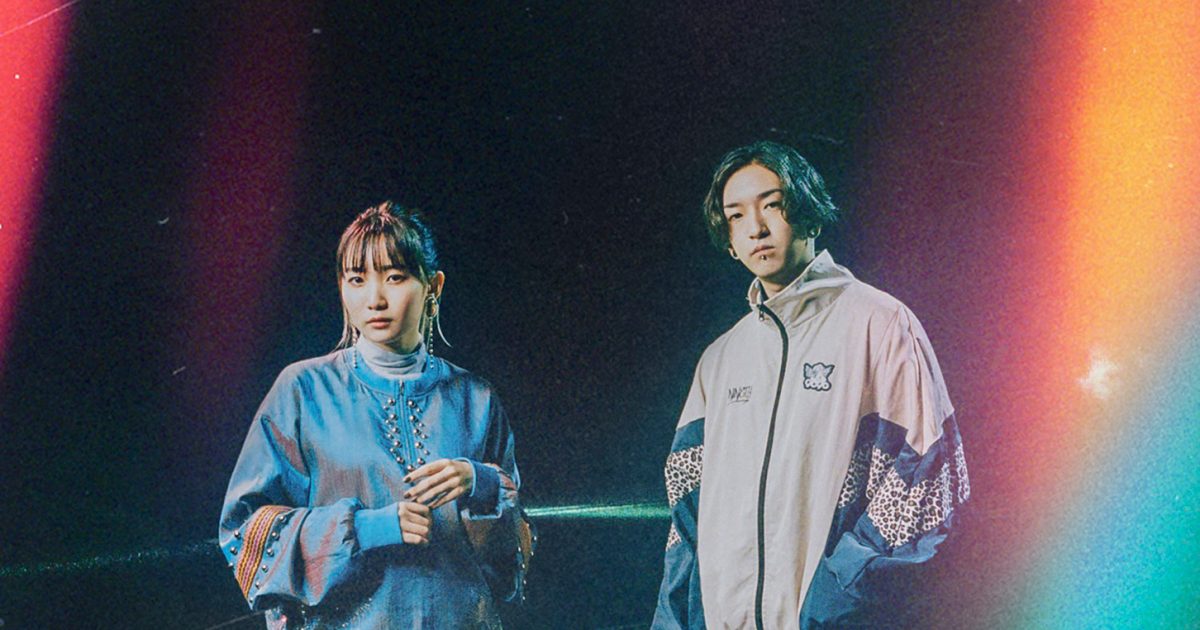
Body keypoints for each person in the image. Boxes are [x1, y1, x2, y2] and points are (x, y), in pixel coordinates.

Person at [652, 141, 969, 629]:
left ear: (810, 213)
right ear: (729, 240)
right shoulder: (719, 360)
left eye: (772, 205)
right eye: (736, 216)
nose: (756, 228)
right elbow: (685, 513)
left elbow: (927, 481)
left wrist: (833, 599)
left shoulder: (881, 325)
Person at [218, 202, 531, 629]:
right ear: (341, 288)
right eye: (357, 279)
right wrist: (366, 528)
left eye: (395, 277)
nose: (375, 299)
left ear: (433, 286)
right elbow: (245, 533)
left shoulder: (475, 398)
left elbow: (512, 565)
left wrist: (481, 484)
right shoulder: (303, 390)